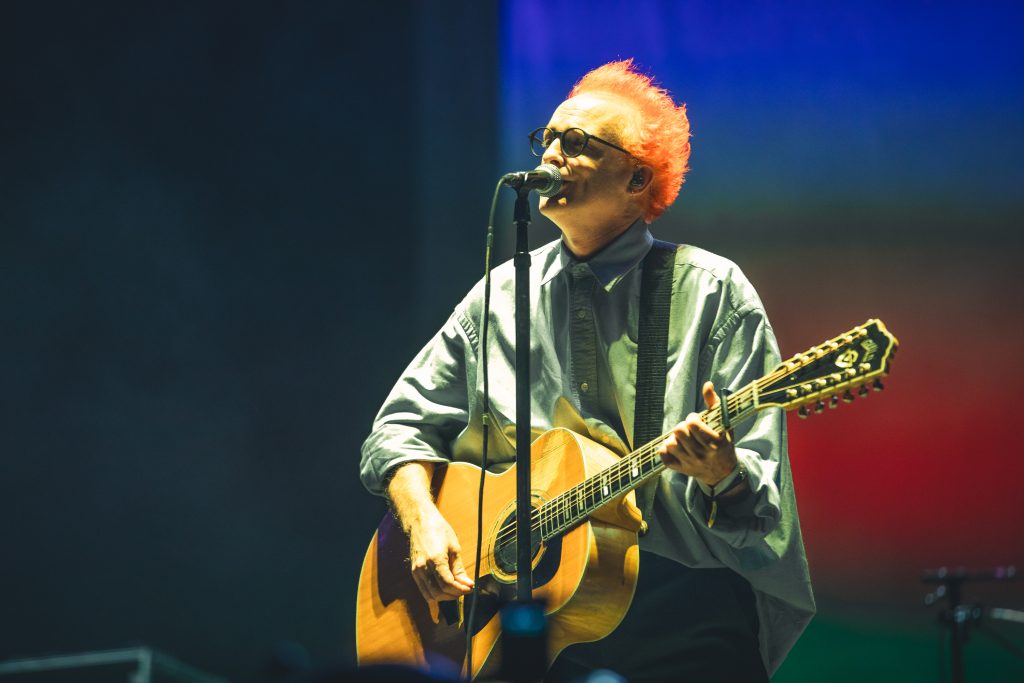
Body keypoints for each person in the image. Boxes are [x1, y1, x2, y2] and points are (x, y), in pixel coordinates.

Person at [360, 60, 814, 682]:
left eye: (576, 144)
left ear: (636, 179)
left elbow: (755, 497)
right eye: (546, 139)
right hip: (524, 613)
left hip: (678, 606)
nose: (551, 155)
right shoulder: (499, 296)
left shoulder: (713, 293)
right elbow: (398, 429)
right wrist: (422, 521)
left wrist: (722, 474)